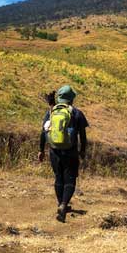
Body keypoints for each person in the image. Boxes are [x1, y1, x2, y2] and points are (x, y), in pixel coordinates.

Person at [38, 85, 89, 222]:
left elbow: (44, 132)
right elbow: (83, 136)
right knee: (70, 178)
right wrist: (82, 150)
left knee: (58, 177)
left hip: (54, 151)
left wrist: (41, 150)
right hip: (70, 151)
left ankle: (60, 204)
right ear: (72, 99)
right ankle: (64, 204)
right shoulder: (77, 113)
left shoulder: (51, 112)